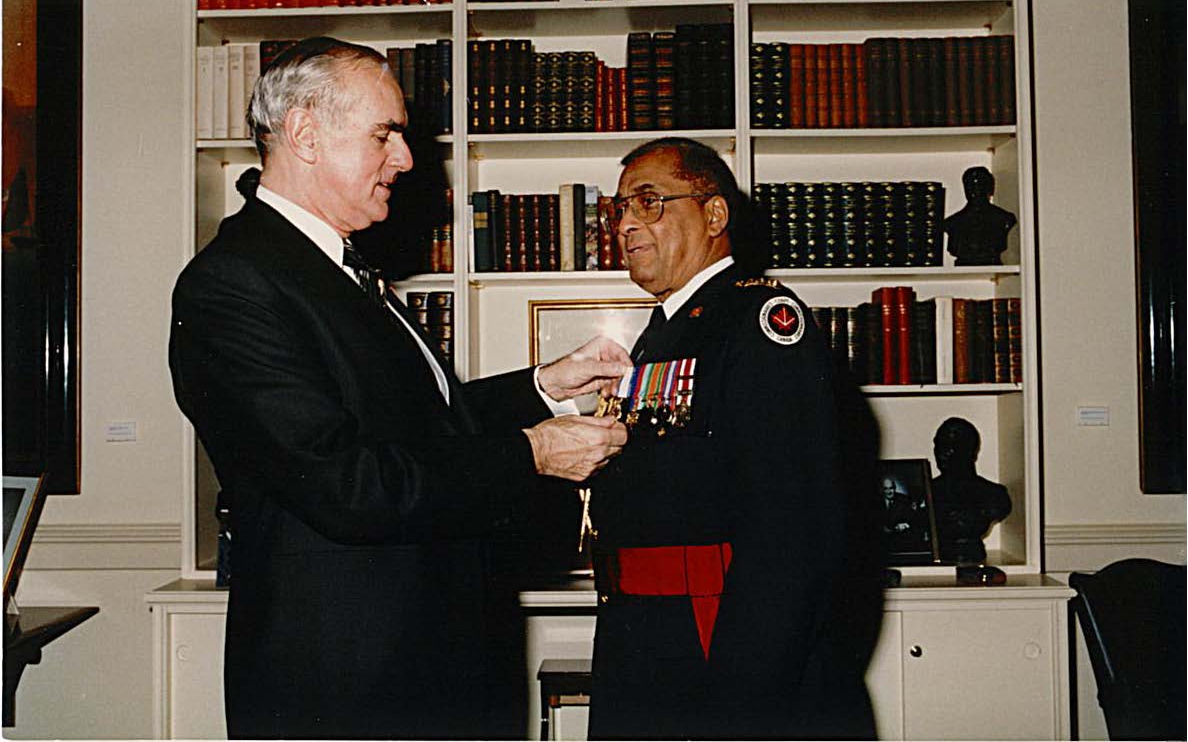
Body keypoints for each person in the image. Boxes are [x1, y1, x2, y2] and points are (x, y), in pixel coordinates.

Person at [168, 37, 630, 740]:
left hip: (424, 672)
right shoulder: (234, 284)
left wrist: (542, 387)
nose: (408, 160)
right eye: (386, 134)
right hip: (349, 689)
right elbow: (346, 481)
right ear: (304, 134)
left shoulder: (331, 267)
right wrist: (530, 453)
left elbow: (417, 429)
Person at [585, 137, 876, 739]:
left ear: (714, 215)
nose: (627, 224)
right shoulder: (663, 334)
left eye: (649, 202)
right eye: (620, 209)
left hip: (719, 650)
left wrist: (745, 702)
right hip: (648, 640)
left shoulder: (759, 323)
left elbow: (793, 537)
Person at [930, 417, 1012, 565]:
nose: (942, 453)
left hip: (974, 556)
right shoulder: (927, 492)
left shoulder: (995, 495)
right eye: (938, 446)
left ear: (971, 452)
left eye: (951, 447)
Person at [942, 166, 1017, 266]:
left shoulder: (1005, 219)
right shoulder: (952, 223)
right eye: (971, 185)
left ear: (990, 188)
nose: (975, 190)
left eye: (980, 185)